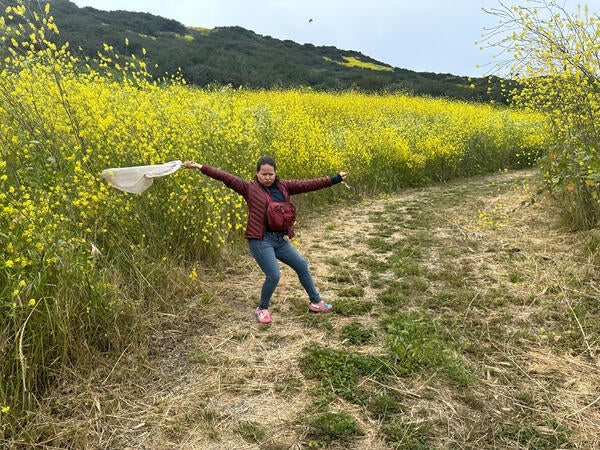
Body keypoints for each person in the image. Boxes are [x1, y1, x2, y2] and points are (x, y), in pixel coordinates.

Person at [182, 156, 349, 324]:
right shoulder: (248, 188)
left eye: (270, 174)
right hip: (260, 240)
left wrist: (335, 179)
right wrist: (198, 166)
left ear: (276, 173)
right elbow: (224, 176)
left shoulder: (284, 186)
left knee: (301, 264)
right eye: (264, 174)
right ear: (257, 174)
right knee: (274, 275)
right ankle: (262, 308)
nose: (267, 177)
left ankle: (316, 302)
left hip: (279, 239)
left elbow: (309, 184)